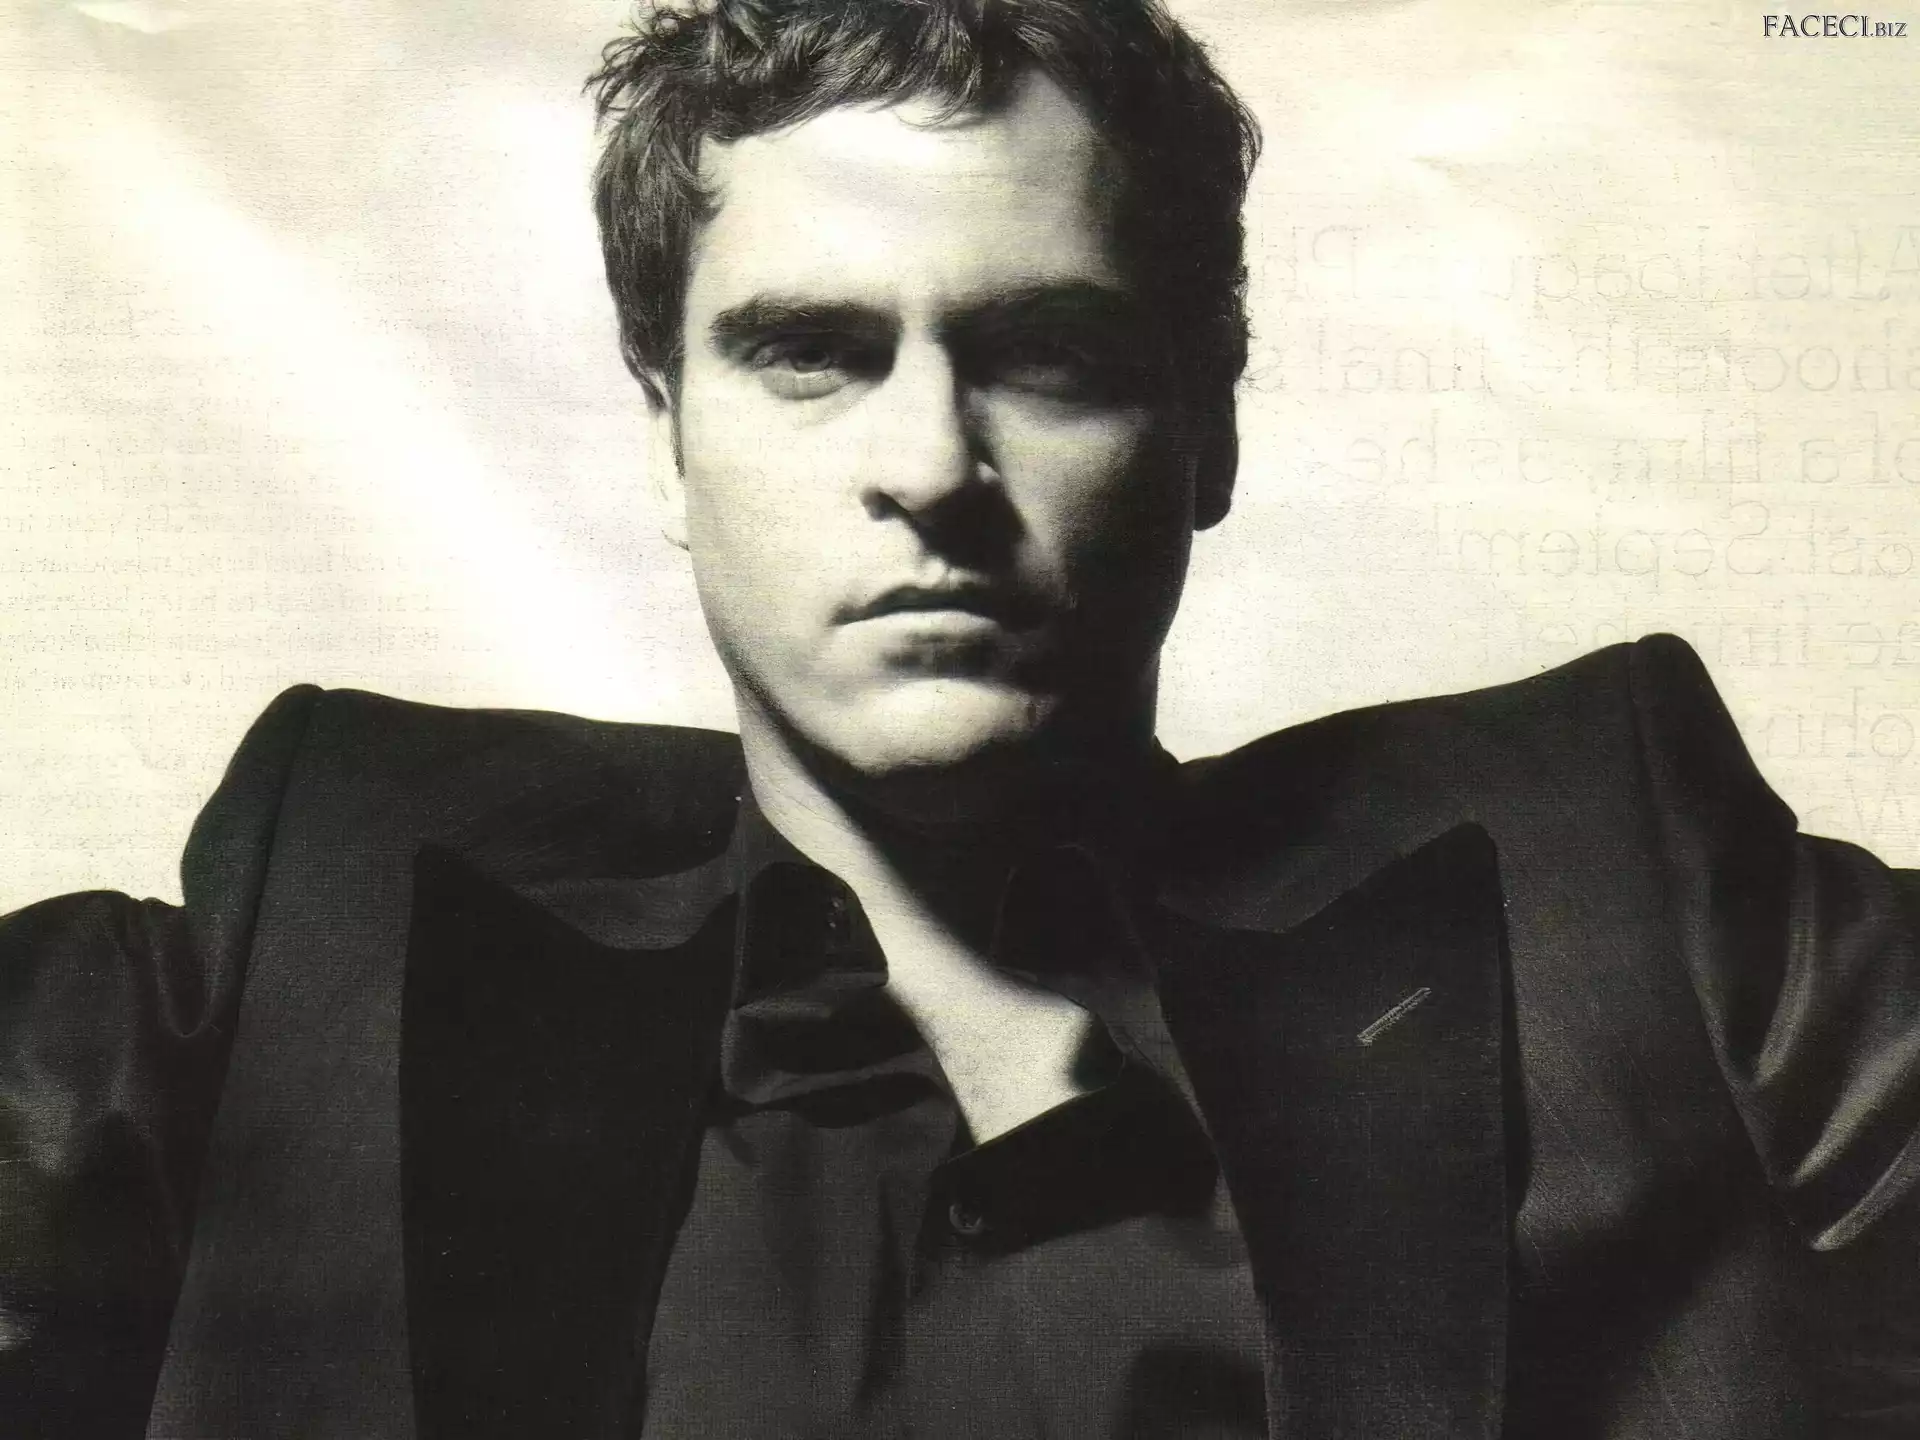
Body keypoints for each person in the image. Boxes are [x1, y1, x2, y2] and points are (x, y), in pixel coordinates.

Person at [3, 1, 1917, 1436]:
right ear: (666, 439)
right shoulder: (313, 933)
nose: (930, 466)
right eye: (812, 355)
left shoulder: (1626, 898)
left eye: (1048, 356)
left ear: (1209, 434)